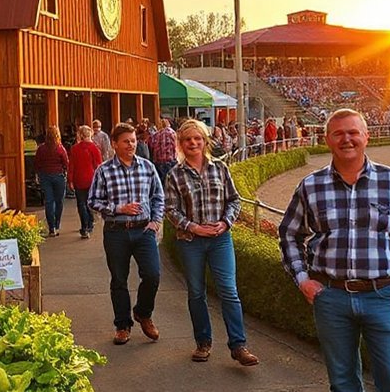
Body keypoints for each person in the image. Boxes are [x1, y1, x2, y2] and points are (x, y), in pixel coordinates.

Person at [278, 108, 390, 392]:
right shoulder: (311, 186)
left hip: (384, 297)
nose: (347, 139)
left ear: (367, 137)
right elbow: (289, 234)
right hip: (331, 297)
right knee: (342, 383)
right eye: (338, 134)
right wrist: (302, 279)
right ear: (327, 139)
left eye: (353, 133)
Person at [164, 119, 259, 367]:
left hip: (220, 240)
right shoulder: (175, 174)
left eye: (197, 138)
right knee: (196, 293)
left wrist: (226, 222)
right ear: (181, 144)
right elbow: (171, 209)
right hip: (191, 241)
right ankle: (203, 343)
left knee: (229, 291)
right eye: (187, 140)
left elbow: (235, 200)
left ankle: (238, 346)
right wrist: (192, 227)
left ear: (205, 141)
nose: (193, 143)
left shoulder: (220, 168)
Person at [88, 122, 164, 346]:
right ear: (114, 144)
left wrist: (156, 221)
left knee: (152, 275)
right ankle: (122, 326)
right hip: (116, 232)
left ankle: (143, 312)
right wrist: (118, 208)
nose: (131, 145)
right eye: (126, 141)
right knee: (119, 280)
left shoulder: (148, 167)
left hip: (143, 231)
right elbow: (93, 200)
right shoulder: (104, 170)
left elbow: (158, 196)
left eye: (133, 141)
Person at [67, 125, 102, 239]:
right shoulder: (94, 148)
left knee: (81, 204)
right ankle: (89, 222)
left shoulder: (74, 149)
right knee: (89, 203)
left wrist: (70, 180)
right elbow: (98, 166)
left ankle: (85, 226)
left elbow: (71, 166)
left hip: (78, 180)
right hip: (91, 179)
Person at [34, 125, 68, 237]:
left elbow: (37, 163)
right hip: (58, 176)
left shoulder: (41, 149)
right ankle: (57, 224)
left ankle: (51, 227)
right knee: (59, 202)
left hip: (45, 176)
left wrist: (38, 175)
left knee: (49, 202)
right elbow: (66, 163)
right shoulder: (60, 148)